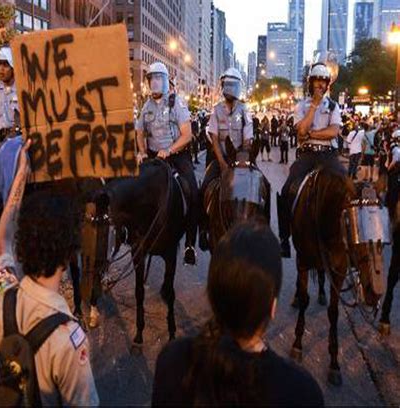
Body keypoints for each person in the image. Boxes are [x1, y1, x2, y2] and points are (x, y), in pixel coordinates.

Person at [152, 222, 324, 406]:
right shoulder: (303, 393)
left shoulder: (171, 360)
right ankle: (193, 240)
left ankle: (285, 239)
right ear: (273, 307)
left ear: (212, 295)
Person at [0, 140, 99, 406]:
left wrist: (21, 174)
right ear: (69, 253)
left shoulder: (2, 290)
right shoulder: (71, 339)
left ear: (24, 243)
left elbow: (4, 234)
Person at [277, 62, 344, 258]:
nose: (320, 85)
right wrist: (313, 107)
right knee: (287, 190)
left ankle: (349, 237)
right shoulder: (301, 106)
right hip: (307, 155)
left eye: (324, 82)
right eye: (317, 81)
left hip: (328, 155)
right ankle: (284, 238)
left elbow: (334, 131)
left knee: (347, 187)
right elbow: (300, 130)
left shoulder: (334, 106)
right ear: (311, 83)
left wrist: (313, 133)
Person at [135, 61, 198, 265]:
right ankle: (131, 234)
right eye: (151, 79)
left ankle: (189, 243)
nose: (154, 83)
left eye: (157, 79)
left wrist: (169, 150)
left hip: (176, 155)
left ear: (164, 81)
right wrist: (142, 151)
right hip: (154, 156)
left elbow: (187, 135)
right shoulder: (146, 106)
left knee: (192, 190)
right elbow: (139, 131)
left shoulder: (177, 103)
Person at [198, 68, 253, 250]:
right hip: (220, 158)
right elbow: (213, 138)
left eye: (232, 85)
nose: (229, 89)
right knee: (204, 186)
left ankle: (261, 228)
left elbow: (247, 139)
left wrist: (242, 162)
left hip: (241, 159)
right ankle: (203, 230)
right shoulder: (216, 110)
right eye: (227, 85)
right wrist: (222, 163)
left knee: (262, 186)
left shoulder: (245, 110)